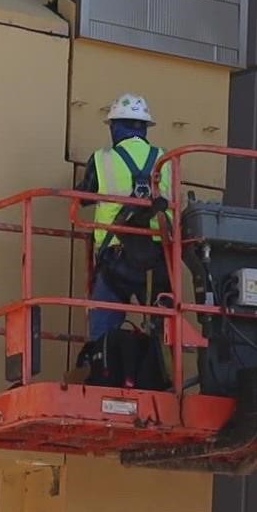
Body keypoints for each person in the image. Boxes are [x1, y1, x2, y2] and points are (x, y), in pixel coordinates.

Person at [76, 93, 175, 373]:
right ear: (143, 128)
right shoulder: (166, 161)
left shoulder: (102, 159)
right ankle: (164, 378)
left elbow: (83, 197)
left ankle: (101, 373)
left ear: (115, 127)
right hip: (158, 259)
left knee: (102, 330)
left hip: (116, 257)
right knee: (163, 330)